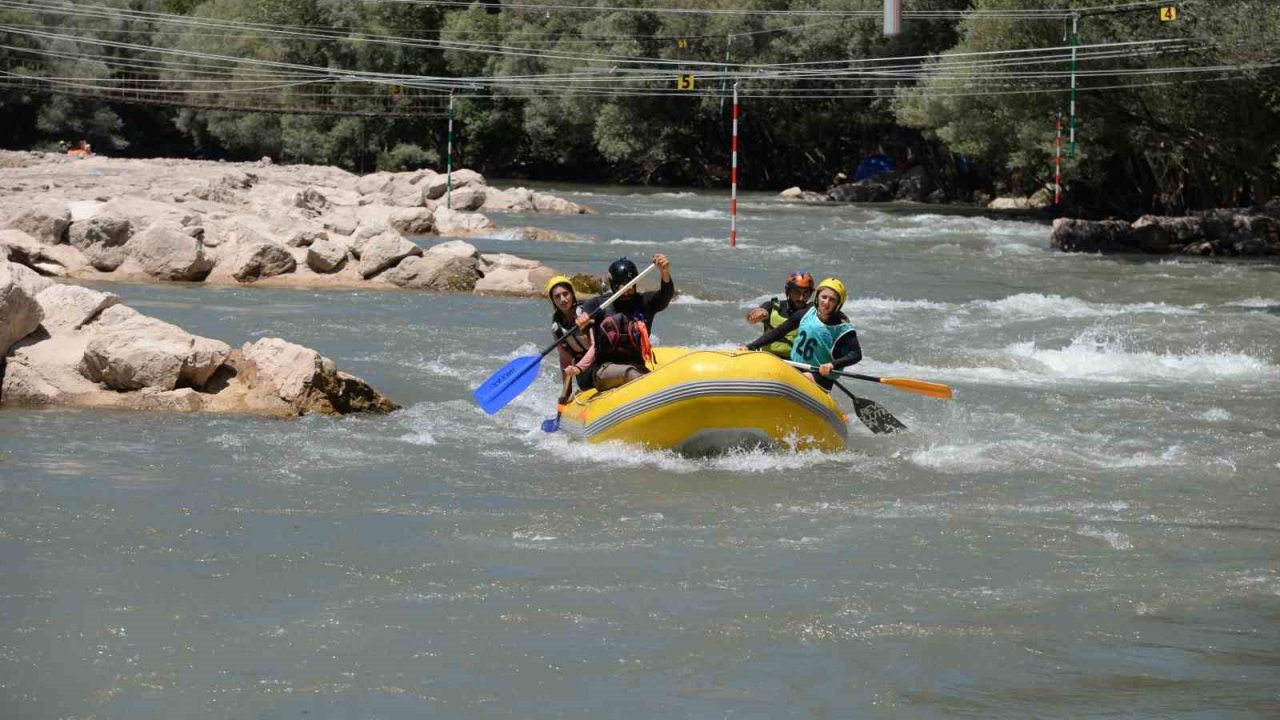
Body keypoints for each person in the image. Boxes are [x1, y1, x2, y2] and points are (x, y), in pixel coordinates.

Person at [743, 277, 861, 391]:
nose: (826, 302)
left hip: (819, 374)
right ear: (818, 297)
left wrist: (833, 364)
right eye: (824, 297)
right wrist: (750, 347)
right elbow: (778, 332)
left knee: (800, 380)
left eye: (832, 299)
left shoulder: (842, 327)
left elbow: (856, 354)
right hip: (795, 366)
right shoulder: (806, 314)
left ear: (838, 303)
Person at [580, 253, 674, 391]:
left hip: (638, 367)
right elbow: (584, 315)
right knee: (631, 373)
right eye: (622, 287)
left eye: (630, 286)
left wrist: (664, 271)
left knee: (637, 374)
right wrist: (582, 320)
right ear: (613, 286)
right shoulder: (599, 304)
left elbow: (666, 295)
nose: (627, 292)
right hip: (605, 370)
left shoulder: (645, 302)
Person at [745, 270, 814, 358]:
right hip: (768, 357)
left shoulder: (811, 311)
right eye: (797, 292)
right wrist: (756, 314)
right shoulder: (772, 306)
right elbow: (751, 317)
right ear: (788, 291)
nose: (801, 298)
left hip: (794, 362)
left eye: (806, 293)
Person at [546, 275, 596, 393]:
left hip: (601, 359)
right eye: (557, 297)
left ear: (572, 294)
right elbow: (565, 359)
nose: (563, 299)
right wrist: (566, 391)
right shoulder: (557, 328)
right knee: (585, 381)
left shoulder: (587, 312)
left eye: (565, 294)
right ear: (553, 301)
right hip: (583, 370)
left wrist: (579, 367)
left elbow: (596, 345)